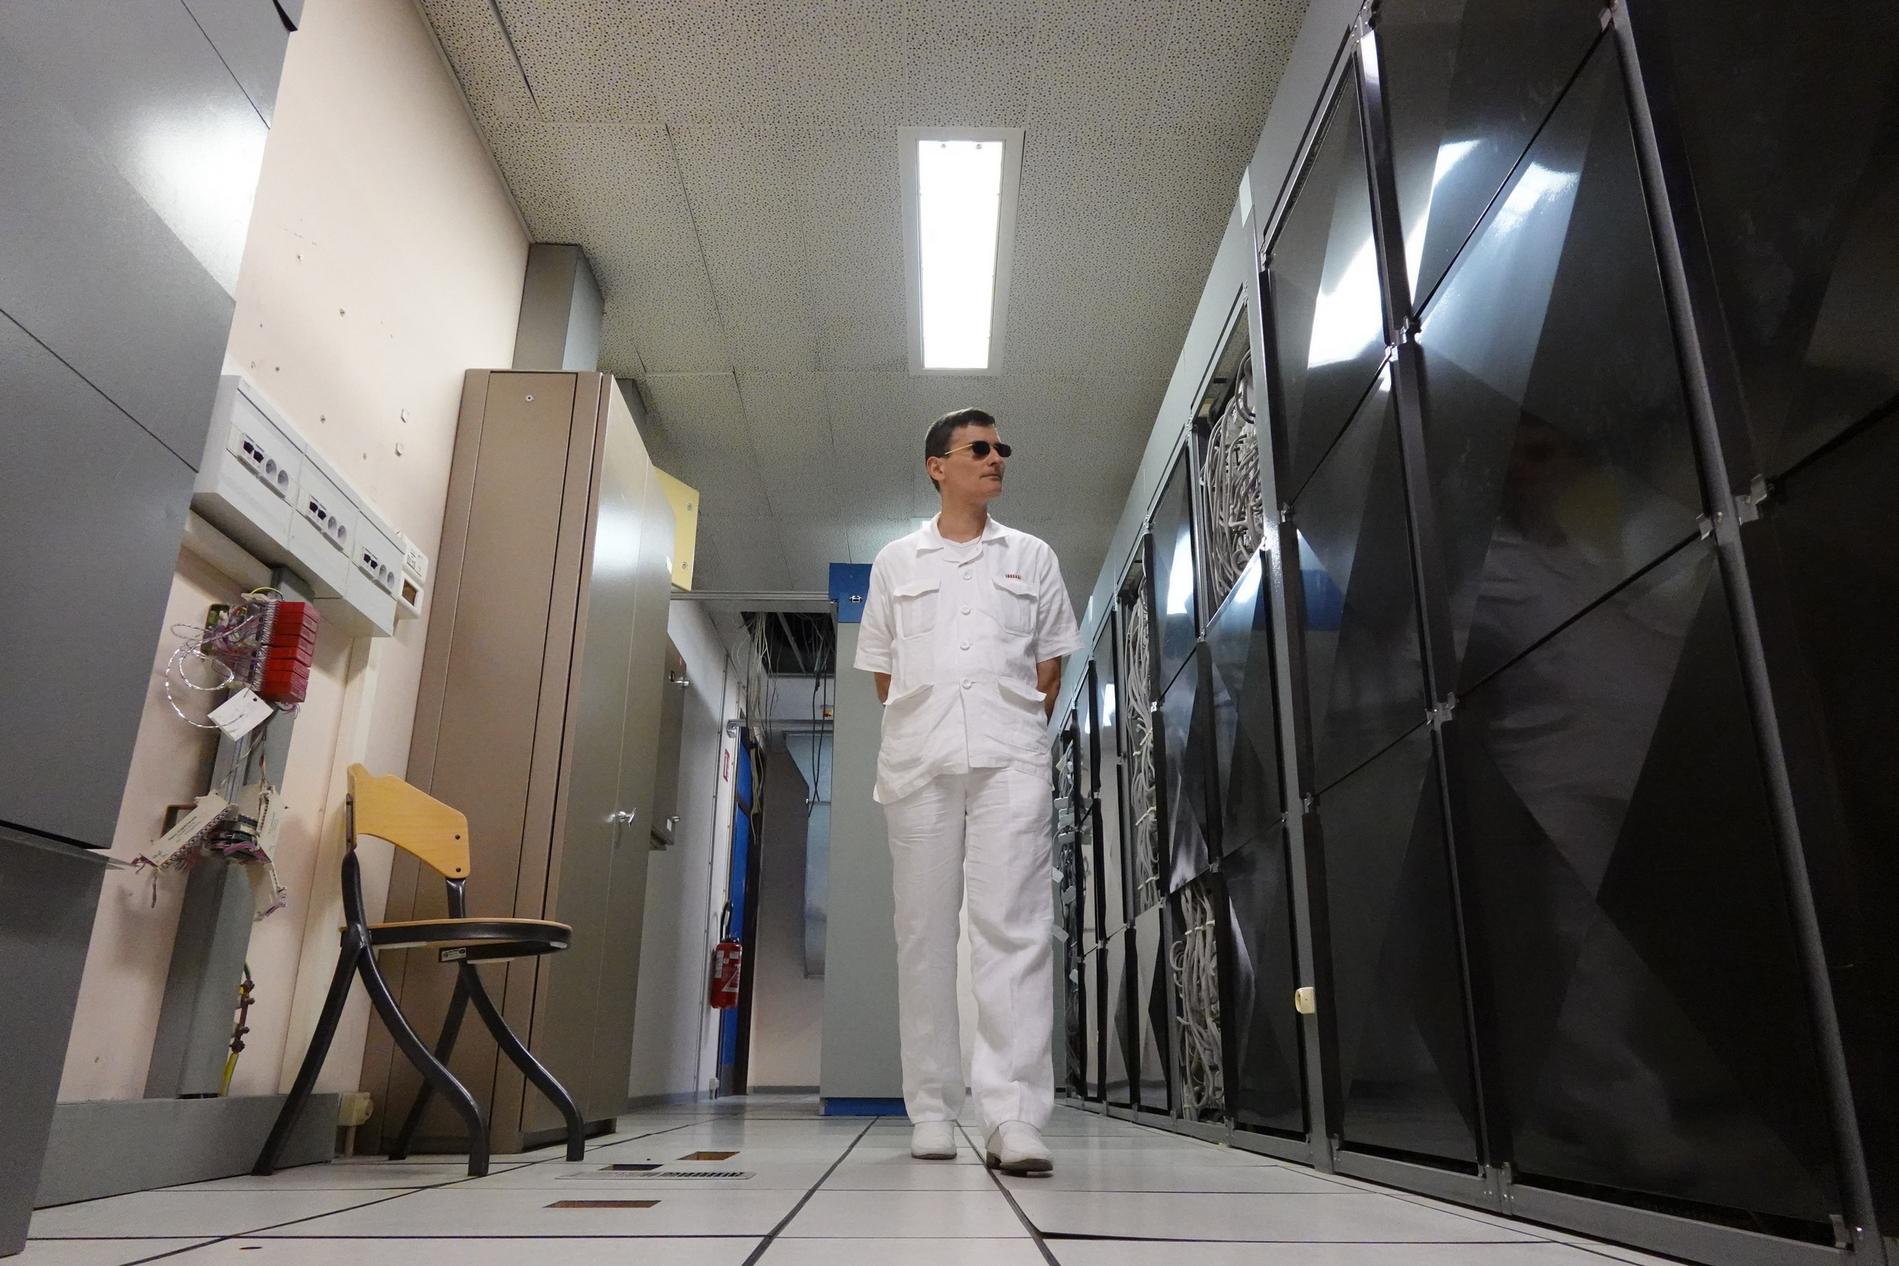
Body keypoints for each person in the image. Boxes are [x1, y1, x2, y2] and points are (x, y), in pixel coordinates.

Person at [854, 407, 1081, 1176]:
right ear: (936, 467)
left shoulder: (1032, 556)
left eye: (1000, 448)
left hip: (1009, 761)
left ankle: (1012, 1115)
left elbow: (1049, 666)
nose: (995, 458)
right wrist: (931, 721)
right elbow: (884, 673)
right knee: (923, 934)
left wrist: (1006, 725)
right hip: (918, 764)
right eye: (978, 448)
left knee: (1013, 929)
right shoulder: (896, 561)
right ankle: (930, 1108)